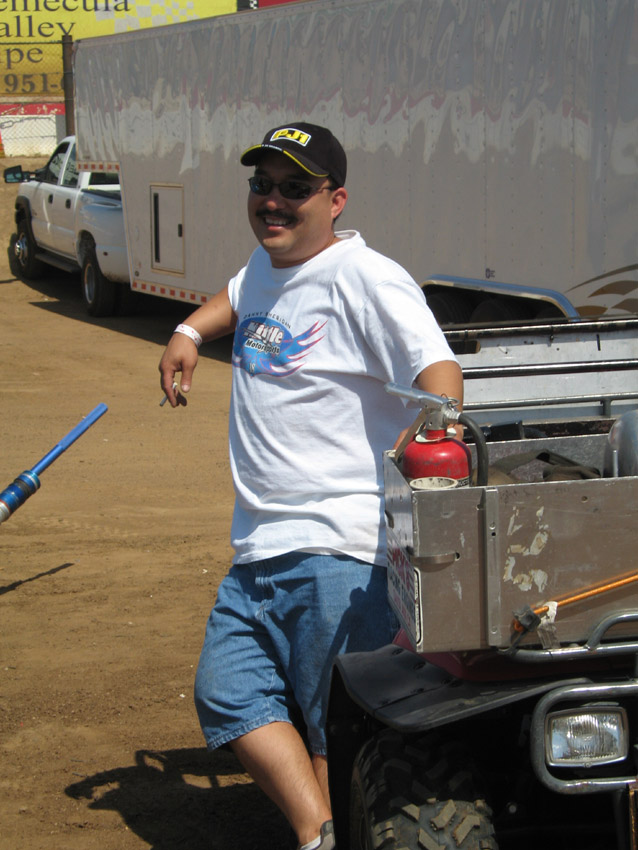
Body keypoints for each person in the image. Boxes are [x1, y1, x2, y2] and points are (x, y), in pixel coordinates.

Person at [158, 122, 463, 850]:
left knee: (333, 723)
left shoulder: (365, 277)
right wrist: (189, 333)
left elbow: (440, 371)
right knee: (227, 690)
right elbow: (240, 297)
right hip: (259, 543)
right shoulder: (268, 265)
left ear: (335, 200)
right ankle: (318, 831)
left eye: (295, 188)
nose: (274, 200)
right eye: (262, 184)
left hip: (339, 547)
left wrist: (429, 437)